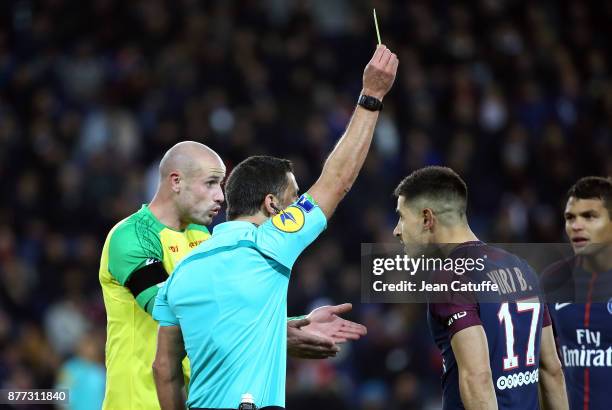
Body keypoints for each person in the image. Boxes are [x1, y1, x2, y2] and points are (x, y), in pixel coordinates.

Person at [152, 44, 398, 409]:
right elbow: (337, 180)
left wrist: (285, 327)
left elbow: (164, 367)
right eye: (294, 197)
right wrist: (372, 96)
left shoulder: (181, 272)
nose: (298, 205)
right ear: (272, 205)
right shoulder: (267, 243)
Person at [99, 141, 367, 409]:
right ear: (176, 181)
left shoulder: (201, 237)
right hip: (136, 400)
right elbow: (174, 309)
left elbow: (222, 311)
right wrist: (278, 335)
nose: (220, 196)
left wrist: (294, 324)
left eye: (222, 185)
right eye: (211, 183)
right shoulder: (132, 235)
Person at [392, 166, 568, 410]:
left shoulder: (451, 277)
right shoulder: (523, 268)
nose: (397, 230)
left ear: (427, 218)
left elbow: (478, 379)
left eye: (401, 217)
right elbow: (552, 371)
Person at [542, 176, 612, 410]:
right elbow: (542, 367)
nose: (576, 226)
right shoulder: (553, 280)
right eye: (570, 217)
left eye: (589, 216)